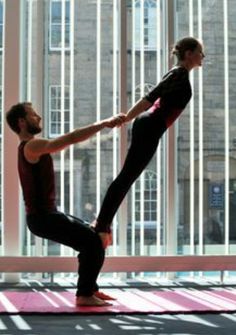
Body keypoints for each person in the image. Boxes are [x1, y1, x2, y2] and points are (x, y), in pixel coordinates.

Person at [6, 102, 125, 306]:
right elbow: (69, 139)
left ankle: (90, 290)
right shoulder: (31, 146)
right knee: (93, 242)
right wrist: (103, 123)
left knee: (93, 237)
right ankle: (84, 294)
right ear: (22, 122)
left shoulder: (30, 146)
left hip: (46, 216)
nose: (39, 117)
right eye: (33, 115)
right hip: (42, 218)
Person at [93, 36, 205, 248]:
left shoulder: (180, 74)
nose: (203, 56)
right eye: (200, 52)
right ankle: (101, 224)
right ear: (189, 54)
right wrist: (126, 118)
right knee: (126, 177)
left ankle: (103, 223)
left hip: (151, 128)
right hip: (149, 126)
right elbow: (150, 98)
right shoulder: (178, 73)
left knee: (127, 177)